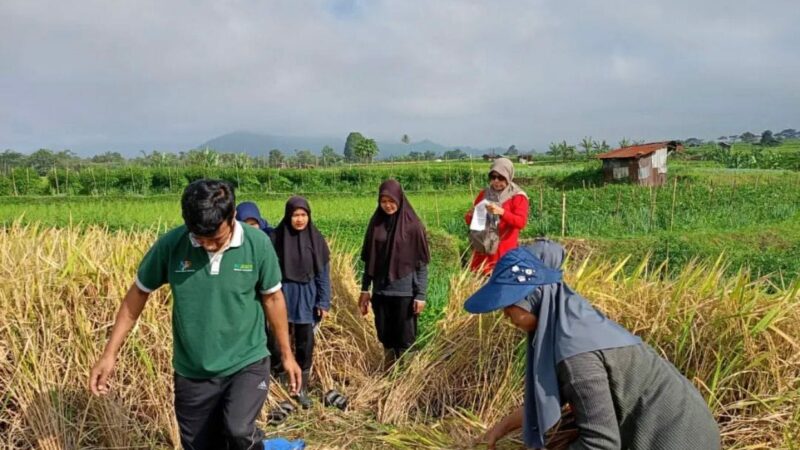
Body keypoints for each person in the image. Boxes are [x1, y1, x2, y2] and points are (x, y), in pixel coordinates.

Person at [89, 179, 302, 450]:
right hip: (192, 370)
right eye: (200, 239)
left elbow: (273, 298)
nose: (208, 246)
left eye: (216, 238)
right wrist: (109, 354)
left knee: (237, 430)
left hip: (246, 361)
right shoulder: (172, 245)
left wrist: (286, 355)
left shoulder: (257, 244)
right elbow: (138, 294)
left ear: (232, 215)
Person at [464, 239, 721, 450]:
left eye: (508, 304)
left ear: (535, 297)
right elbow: (550, 400)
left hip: (679, 439)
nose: (505, 314)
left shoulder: (576, 352)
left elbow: (601, 444)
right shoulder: (568, 321)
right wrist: (499, 429)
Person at [358, 179, 430, 367]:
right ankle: (389, 375)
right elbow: (370, 261)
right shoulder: (376, 225)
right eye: (383, 201)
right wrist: (365, 289)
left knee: (406, 339)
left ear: (399, 199)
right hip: (381, 292)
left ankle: (406, 380)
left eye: (392, 200)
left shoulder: (413, 227)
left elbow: (421, 265)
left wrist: (420, 295)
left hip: (405, 293)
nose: (388, 205)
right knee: (385, 337)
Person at [269, 196, 331, 409]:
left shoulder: (316, 239)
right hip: (282, 295)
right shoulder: (275, 239)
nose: (299, 219)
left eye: (303, 215)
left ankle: (301, 388)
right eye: (295, 215)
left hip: (307, 296)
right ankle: (281, 387)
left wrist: (323, 301)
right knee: (277, 342)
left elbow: (323, 273)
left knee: (305, 343)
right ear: (288, 215)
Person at [465, 157, 529, 275]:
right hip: (482, 250)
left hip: (503, 251)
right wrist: (471, 215)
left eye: (500, 177)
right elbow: (472, 222)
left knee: (500, 283)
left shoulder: (518, 197)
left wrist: (502, 212)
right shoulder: (484, 194)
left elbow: (521, 222)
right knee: (479, 284)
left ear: (508, 177)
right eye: (493, 177)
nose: (496, 181)